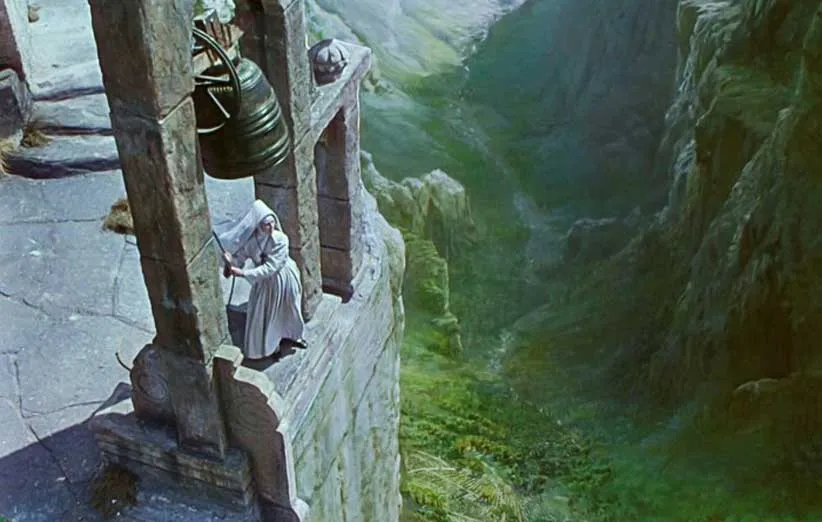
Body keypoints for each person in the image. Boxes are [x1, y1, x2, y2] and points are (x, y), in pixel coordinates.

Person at [216, 199, 307, 359]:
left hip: (283, 279)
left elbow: (272, 267)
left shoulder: (281, 239)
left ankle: (294, 336)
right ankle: (273, 346)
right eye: (266, 224)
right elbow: (239, 260)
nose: (271, 227)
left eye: (272, 222)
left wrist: (243, 273)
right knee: (268, 315)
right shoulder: (251, 243)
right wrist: (230, 262)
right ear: (258, 225)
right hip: (265, 284)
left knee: (290, 308)